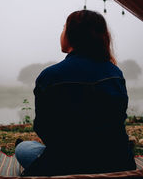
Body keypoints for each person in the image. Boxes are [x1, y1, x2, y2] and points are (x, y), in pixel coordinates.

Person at [15, 10, 136, 176]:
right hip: (117, 162)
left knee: (24, 148)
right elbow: (118, 120)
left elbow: (43, 127)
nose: (61, 33)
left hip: (69, 165)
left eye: (64, 28)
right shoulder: (115, 73)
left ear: (72, 34)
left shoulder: (50, 75)